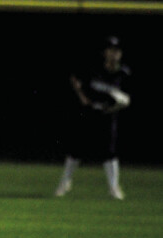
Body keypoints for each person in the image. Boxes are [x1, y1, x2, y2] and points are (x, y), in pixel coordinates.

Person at [55, 35, 131, 200]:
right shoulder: (94, 70)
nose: (114, 54)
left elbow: (127, 99)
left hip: (108, 115)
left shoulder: (123, 74)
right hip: (89, 112)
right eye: (111, 50)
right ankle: (64, 183)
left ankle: (113, 188)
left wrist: (118, 104)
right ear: (105, 52)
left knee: (109, 153)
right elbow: (78, 84)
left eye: (117, 51)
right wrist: (81, 95)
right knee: (75, 150)